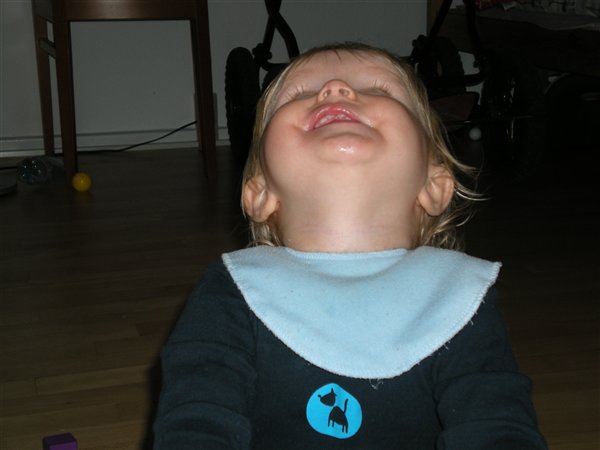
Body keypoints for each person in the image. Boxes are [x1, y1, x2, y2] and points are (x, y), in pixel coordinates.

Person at [153, 42, 547, 449]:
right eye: (301, 93)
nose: (336, 88)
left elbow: (499, 426)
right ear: (259, 194)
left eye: (377, 89)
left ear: (434, 186)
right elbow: (195, 421)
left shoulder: (459, 297)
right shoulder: (234, 290)